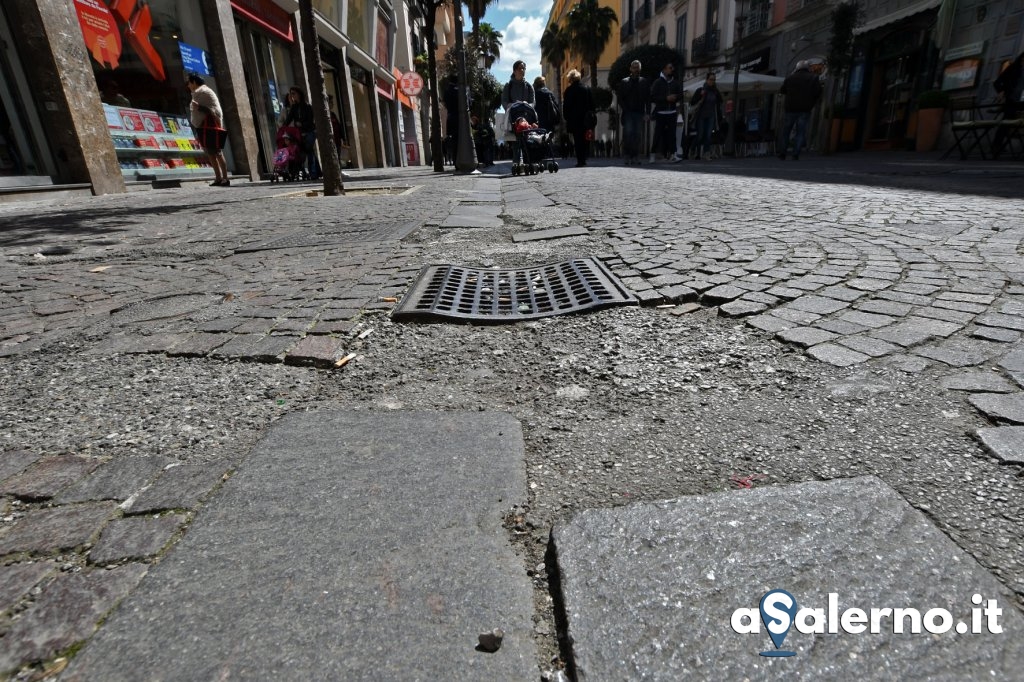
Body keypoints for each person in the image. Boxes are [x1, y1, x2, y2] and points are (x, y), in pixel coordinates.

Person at [186, 73, 229, 186]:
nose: (188, 85)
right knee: (211, 153)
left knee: (217, 152)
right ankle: (218, 178)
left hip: (210, 126)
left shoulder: (202, 92)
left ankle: (225, 178)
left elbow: (213, 110)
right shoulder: (201, 92)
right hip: (206, 126)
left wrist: (199, 107)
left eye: (189, 83)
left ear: (194, 82)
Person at [778, 61, 822, 161]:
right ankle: (795, 154)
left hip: (790, 108)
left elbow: (782, 90)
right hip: (805, 109)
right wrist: (811, 102)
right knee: (800, 132)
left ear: (797, 68)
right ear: (807, 68)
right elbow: (818, 92)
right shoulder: (813, 78)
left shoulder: (790, 78)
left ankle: (782, 153)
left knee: (786, 131)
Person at [282, 86, 320, 179]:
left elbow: (311, 120)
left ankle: (313, 174)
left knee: (309, 150)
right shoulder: (294, 107)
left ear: (299, 94)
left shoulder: (307, 106)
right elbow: (289, 118)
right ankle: (317, 172)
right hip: (299, 133)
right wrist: (283, 128)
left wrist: (301, 124)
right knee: (308, 152)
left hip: (309, 131)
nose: (292, 96)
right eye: (291, 94)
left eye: (294, 93)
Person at [617, 60, 650, 165]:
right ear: (630, 69)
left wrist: (647, 113)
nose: (636, 69)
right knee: (628, 135)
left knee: (637, 135)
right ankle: (627, 155)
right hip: (628, 113)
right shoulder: (624, 82)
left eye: (638, 67)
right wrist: (625, 109)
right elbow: (620, 98)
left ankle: (635, 156)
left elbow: (648, 99)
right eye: (634, 67)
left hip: (639, 113)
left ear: (640, 69)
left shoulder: (644, 82)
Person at [992, 52, 1024, 159]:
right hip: (1012, 100)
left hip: (1022, 101)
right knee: (1006, 122)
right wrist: (1001, 91)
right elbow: (997, 82)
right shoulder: (1013, 69)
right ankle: (996, 145)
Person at [562, 69, 595, 167]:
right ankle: (584, 158)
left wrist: (566, 117)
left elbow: (566, 106)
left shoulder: (568, 90)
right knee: (586, 139)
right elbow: (592, 104)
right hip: (586, 119)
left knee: (577, 140)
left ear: (570, 79)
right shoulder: (586, 88)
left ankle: (580, 160)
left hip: (574, 120)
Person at [650, 62, 681, 162]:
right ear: (664, 70)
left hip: (672, 112)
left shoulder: (675, 83)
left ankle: (673, 154)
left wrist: (675, 97)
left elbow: (681, 95)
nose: (672, 69)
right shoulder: (657, 82)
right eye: (670, 68)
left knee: (672, 135)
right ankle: (652, 154)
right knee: (657, 135)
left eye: (672, 68)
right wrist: (665, 98)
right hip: (660, 113)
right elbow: (653, 97)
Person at [690, 73, 723, 160]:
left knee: (708, 135)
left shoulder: (715, 91)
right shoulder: (701, 90)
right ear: (707, 80)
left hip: (711, 116)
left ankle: (706, 153)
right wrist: (700, 95)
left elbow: (721, 100)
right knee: (700, 135)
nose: (712, 81)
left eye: (714, 80)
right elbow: (692, 102)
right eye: (711, 79)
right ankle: (692, 149)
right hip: (701, 115)